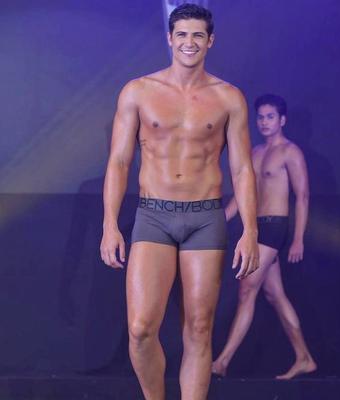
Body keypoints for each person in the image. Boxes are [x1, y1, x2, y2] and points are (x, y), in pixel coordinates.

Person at [100, 4, 259, 400]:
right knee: (140, 329)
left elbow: (242, 168)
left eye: (198, 35)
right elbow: (119, 161)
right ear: (170, 39)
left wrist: (250, 231)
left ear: (210, 41)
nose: (190, 42)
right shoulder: (138, 91)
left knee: (199, 328)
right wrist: (109, 225)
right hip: (153, 215)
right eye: (183, 35)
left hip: (205, 218)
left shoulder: (229, 97)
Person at [212, 94, 317, 380]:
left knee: (247, 289)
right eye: (260, 117)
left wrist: (298, 239)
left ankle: (222, 361)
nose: (264, 122)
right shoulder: (255, 152)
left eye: (270, 117)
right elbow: (241, 197)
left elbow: (303, 197)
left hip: (275, 227)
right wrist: (217, 221)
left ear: (282, 120)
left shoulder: (290, 152)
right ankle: (304, 358)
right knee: (275, 294)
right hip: (256, 227)